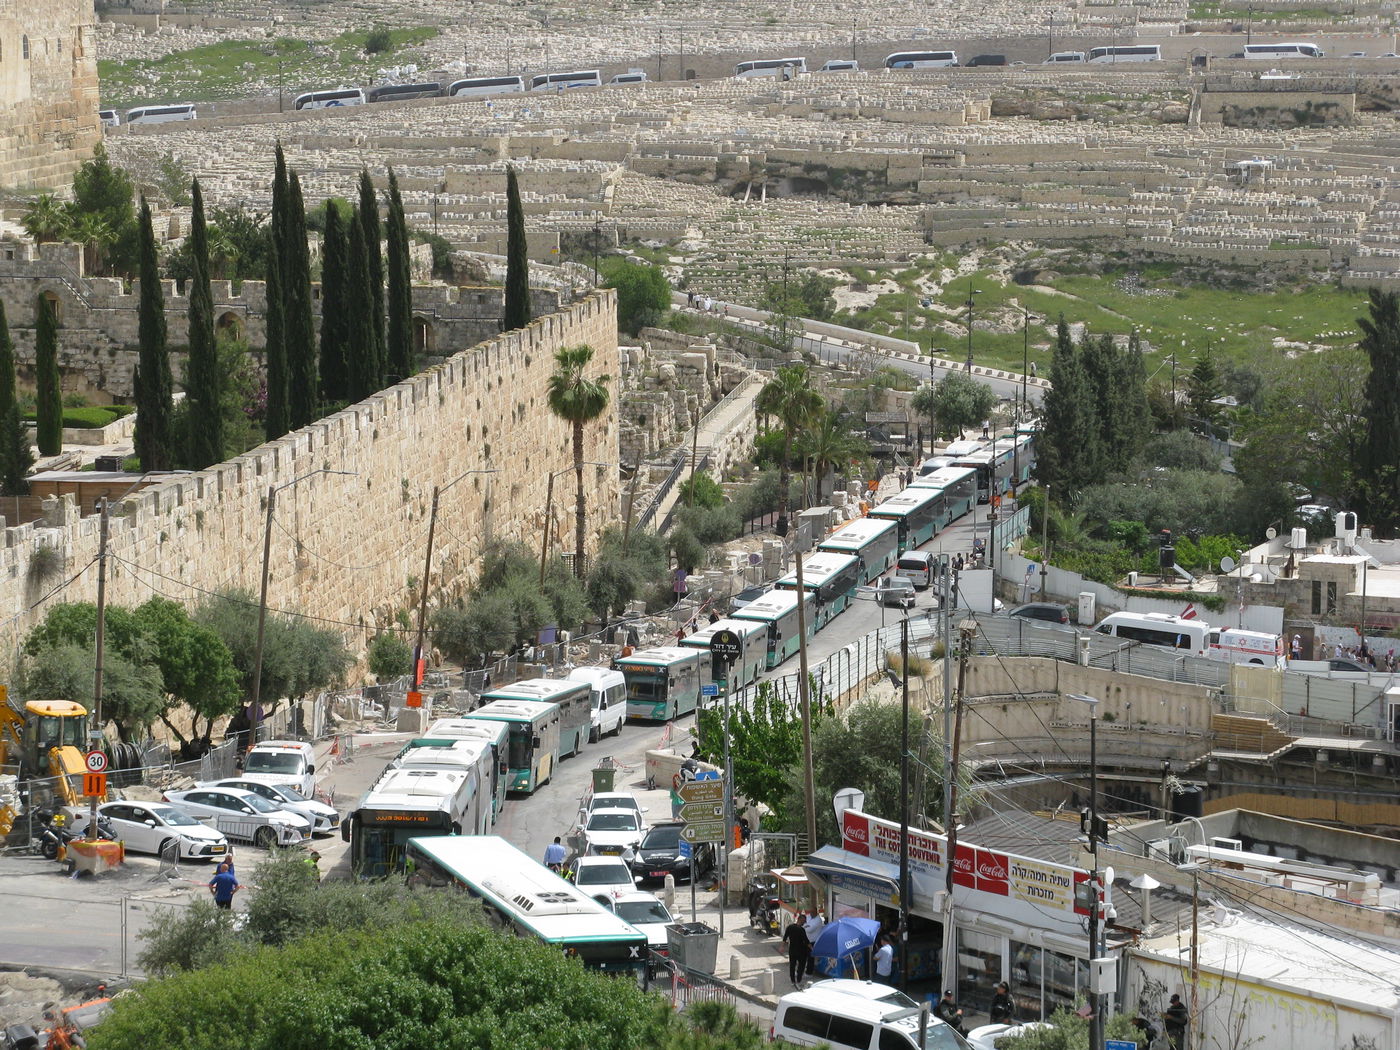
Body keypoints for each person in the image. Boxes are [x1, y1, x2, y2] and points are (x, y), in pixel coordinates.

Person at [783, 912, 812, 987]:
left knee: (792, 965)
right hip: (801, 951)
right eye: (804, 921)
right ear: (801, 920)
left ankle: (793, 981)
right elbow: (806, 941)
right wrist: (812, 948)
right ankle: (798, 981)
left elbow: (785, 937)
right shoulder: (801, 930)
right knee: (801, 966)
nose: (804, 922)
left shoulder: (790, 927)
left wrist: (782, 946)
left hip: (792, 950)